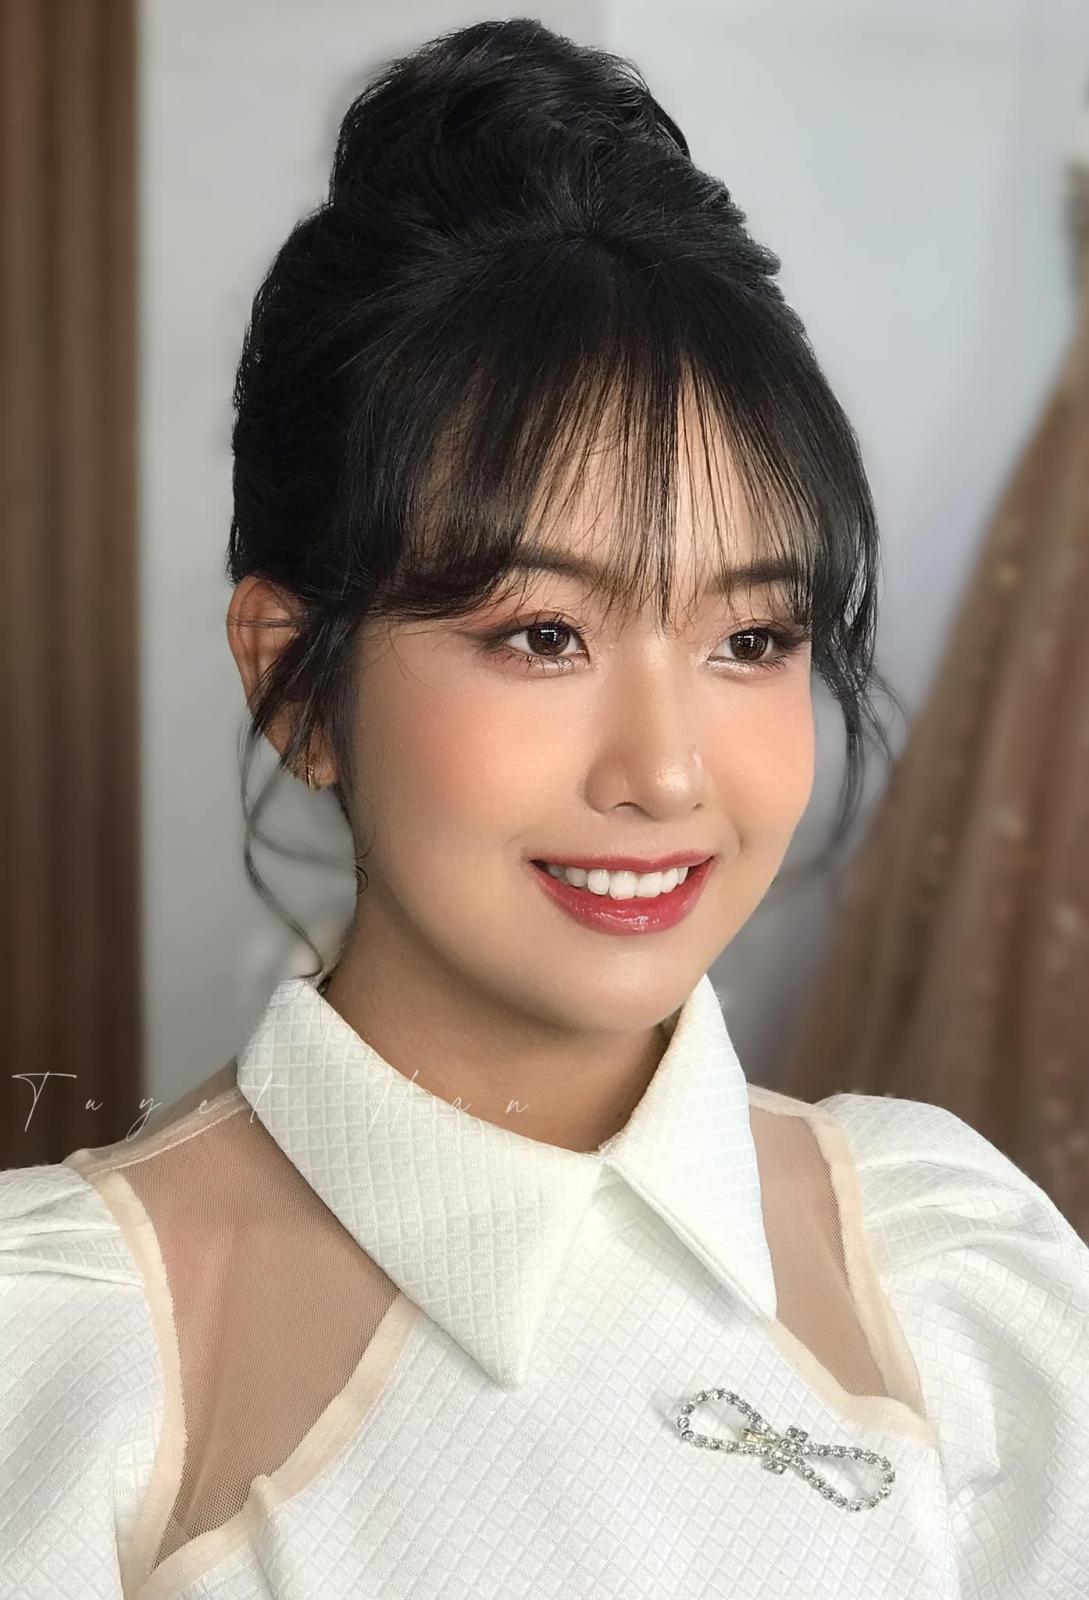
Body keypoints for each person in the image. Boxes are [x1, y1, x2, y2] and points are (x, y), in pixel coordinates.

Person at [3, 18, 1088, 1599]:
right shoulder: (73, 1364)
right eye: (540, 635)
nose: (664, 772)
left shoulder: (954, 1283)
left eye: (749, 640)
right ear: (294, 680)